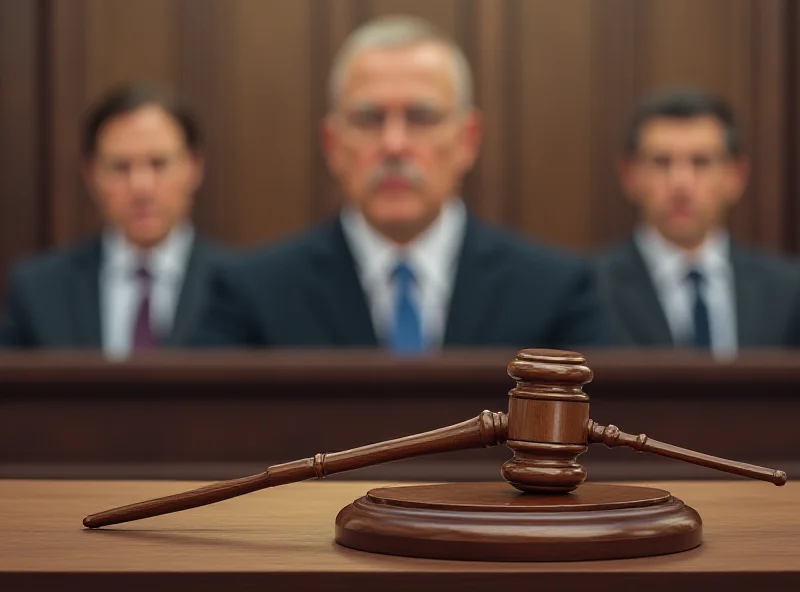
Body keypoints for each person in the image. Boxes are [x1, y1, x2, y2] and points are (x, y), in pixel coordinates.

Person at [196, 15, 609, 351]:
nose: (394, 144)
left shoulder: (554, 291)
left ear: (467, 140)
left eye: (422, 117)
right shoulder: (252, 294)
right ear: (333, 144)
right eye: (369, 119)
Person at [0, 83, 227, 355]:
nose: (141, 187)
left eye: (159, 163)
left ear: (194, 166)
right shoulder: (39, 290)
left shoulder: (236, 288)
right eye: (120, 167)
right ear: (91, 173)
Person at [596, 87, 800, 354]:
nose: (681, 183)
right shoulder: (592, 290)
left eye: (701, 162)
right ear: (630, 175)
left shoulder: (789, 290)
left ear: (736, 176)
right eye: (661, 162)